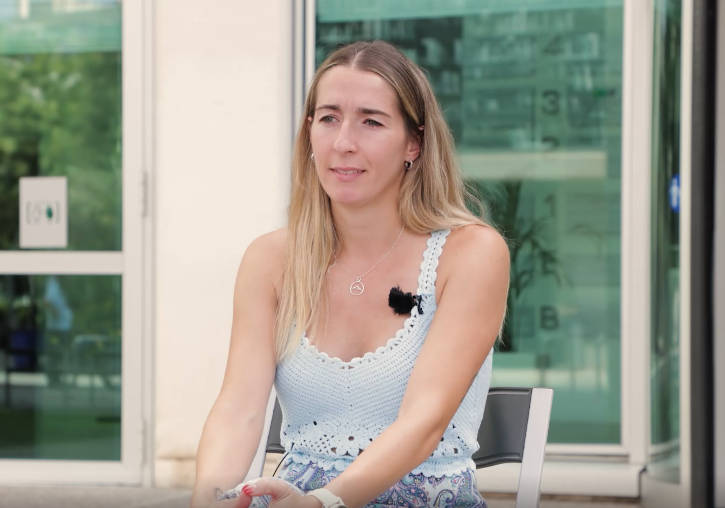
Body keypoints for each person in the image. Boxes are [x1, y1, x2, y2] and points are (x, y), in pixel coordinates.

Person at [191, 40, 509, 508]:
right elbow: (238, 409)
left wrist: (324, 501)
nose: (344, 142)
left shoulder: (471, 254)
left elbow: (424, 423)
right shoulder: (270, 259)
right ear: (310, 133)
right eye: (329, 118)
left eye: (371, 121)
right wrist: (209, 499)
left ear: (414, 143)